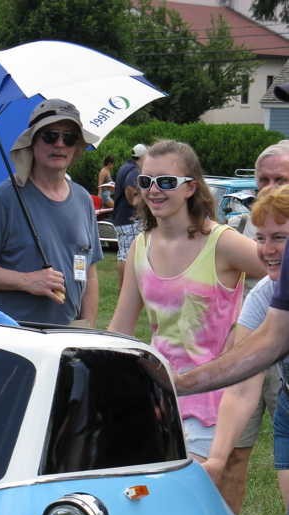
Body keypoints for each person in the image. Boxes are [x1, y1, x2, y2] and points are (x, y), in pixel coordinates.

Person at [108, 139, 265, 461]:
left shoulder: (222, 243)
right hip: (159, 398)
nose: (153, 190)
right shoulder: (141, 245)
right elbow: (120, 329)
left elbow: (278, 272)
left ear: (191, 187)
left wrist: (258, 329)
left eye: (166, 182)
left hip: (213, 404)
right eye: (145, 181)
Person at [207, 140, 289, 513]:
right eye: (264, 181)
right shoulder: (241, 227)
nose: (271, 189)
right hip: (254, 345)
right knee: (238, 446)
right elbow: (241, 383)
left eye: (282, 180)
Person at [0, 99, 101, 327]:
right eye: (50, 136)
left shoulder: (83, 199)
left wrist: (87, 324)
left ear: (77, 146)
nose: (60, 144)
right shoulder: (3, 199)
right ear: (32, 142)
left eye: (69, 137)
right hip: (13, 336)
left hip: (68, 336)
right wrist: (26, 281)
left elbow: (89, 272)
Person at [112, 143, 147, 289]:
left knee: (123, 253)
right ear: (143, 157)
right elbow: (129, 187)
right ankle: (125, 288)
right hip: (129, 218)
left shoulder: (124, 166)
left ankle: (124, 288)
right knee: (127, 255)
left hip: (120, 218)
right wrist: (135, 204)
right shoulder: (134, 170)